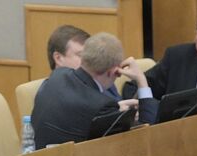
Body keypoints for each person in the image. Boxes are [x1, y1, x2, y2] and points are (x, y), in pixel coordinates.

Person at [30, 32, 158, 149]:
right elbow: (145, 138)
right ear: (115, 72)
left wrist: (115, 110)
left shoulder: (57, 75)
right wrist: (141, 81)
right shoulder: (102, 106)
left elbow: (78, 113)